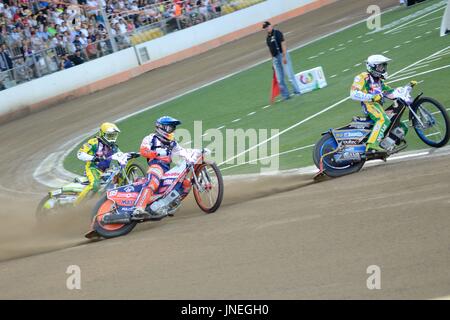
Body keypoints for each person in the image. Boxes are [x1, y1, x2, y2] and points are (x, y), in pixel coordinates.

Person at [133, 116, 193, 219]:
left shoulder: (172, 142)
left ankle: (168, 205)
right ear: (161, 127)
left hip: (168, 171)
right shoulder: (151, 138)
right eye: (169, 128)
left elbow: (181, 152)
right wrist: (156, 153)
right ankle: (139, 209)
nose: (171, 130)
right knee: (153, 182)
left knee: (186, 184)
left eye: (172, 128)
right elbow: (143, 151)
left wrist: (191, 155)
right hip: (156, 166)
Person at [350, 54, 407, 153]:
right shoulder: (363, 77)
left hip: (377, 106)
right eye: (381, 66)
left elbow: (389, 92)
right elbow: (353, 94)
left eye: (384, 66)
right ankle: (372, 145)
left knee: (401, 126)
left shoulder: (379, 81)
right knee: (383, 119)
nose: (383, 69)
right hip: (369, 105)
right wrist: (372, 97)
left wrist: (403, 91)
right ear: (372, 67)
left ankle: (387, 144)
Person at [74, 122, 121, 205]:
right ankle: (76, 205)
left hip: (105, 171)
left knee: (117, 181)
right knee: (95, 184)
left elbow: (121, 155)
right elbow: (80, 154)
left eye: (113, 135)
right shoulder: (94, 142)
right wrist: (93, 158)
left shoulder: (114, 146)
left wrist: (130, 156)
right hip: (92, 168)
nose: (112, 138)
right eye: (110, 135)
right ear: (102, 134)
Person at [263, 21, 301, 101]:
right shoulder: (268, 38)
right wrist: (272, 61)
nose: (266, 28)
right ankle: (285, 95)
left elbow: (283, 44)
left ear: (270, 26)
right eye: (265, 28)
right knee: (280, 79)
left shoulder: (277, 33)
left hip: (282, 55)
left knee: (290, 76)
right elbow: (270, 50)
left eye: (267, 26)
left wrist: (284, 56)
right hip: (275, 58)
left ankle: (297, 91)